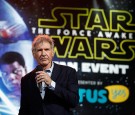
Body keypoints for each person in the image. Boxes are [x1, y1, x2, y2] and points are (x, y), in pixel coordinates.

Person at [18, 34, 79, 115]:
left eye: (47, 49)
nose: (43, 53)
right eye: (39, 50)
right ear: (34, 54)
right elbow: (24, 109)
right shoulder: (26, 79)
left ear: (52, 52)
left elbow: (74, 101)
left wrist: (51, 83)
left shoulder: (68, 72)